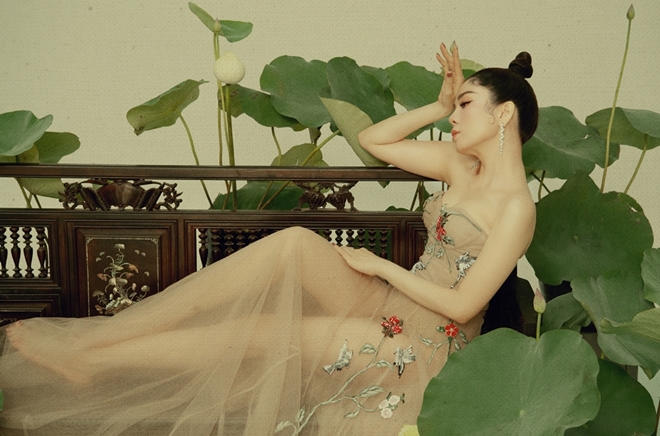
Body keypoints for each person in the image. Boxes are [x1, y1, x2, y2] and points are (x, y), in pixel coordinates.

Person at [0, 43, 537, 436]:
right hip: (394, 303)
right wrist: (438, 106)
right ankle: (105, 337)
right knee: (294, 243)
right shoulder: (458, 164)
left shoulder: (517, 209)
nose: (455, 117)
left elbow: (464, 305)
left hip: (428, 342)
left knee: (265, 331)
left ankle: (94, 360)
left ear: (504, 113)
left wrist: (380, 268)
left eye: (465, 104)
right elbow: (374, 140)